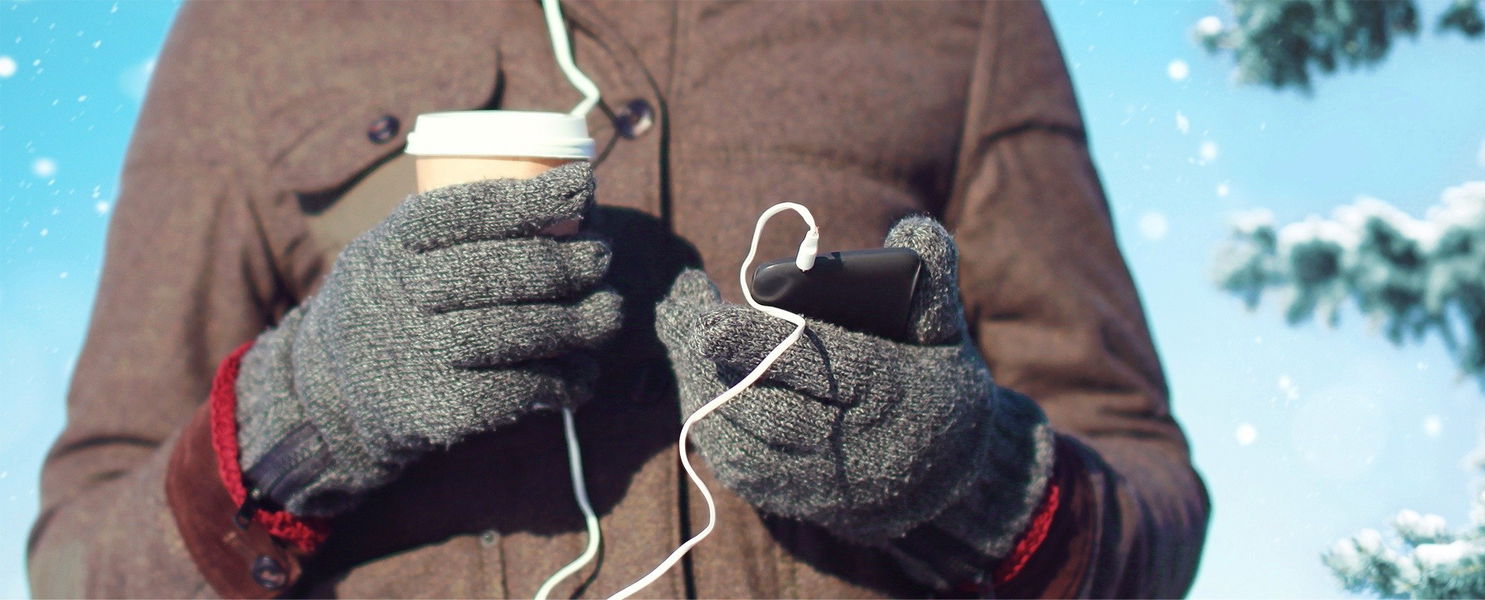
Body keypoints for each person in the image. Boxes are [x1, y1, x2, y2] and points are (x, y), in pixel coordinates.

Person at [27, 1, 1210, 597]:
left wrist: (977, 477)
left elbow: (1143, 476)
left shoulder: (965, 18)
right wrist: (307, 408)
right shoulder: (251, 28)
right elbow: (80, 553)